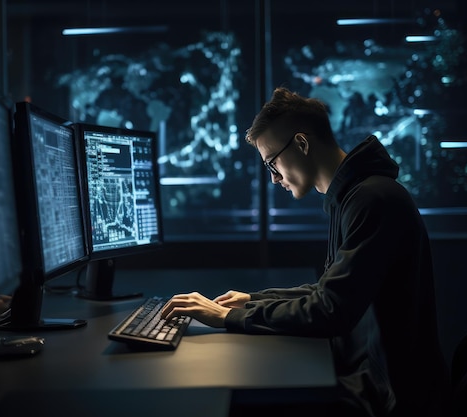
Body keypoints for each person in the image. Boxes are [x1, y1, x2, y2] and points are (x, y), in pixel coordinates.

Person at [160, 87, 452, 417]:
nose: (273, 178)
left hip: (388, 398)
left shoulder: (372, 200)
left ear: (301, 143)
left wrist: (229, 317)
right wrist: (253, 301)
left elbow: (331, 310)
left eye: (272, 162)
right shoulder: (354, 197)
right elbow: (329, 291)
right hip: (373, 380)